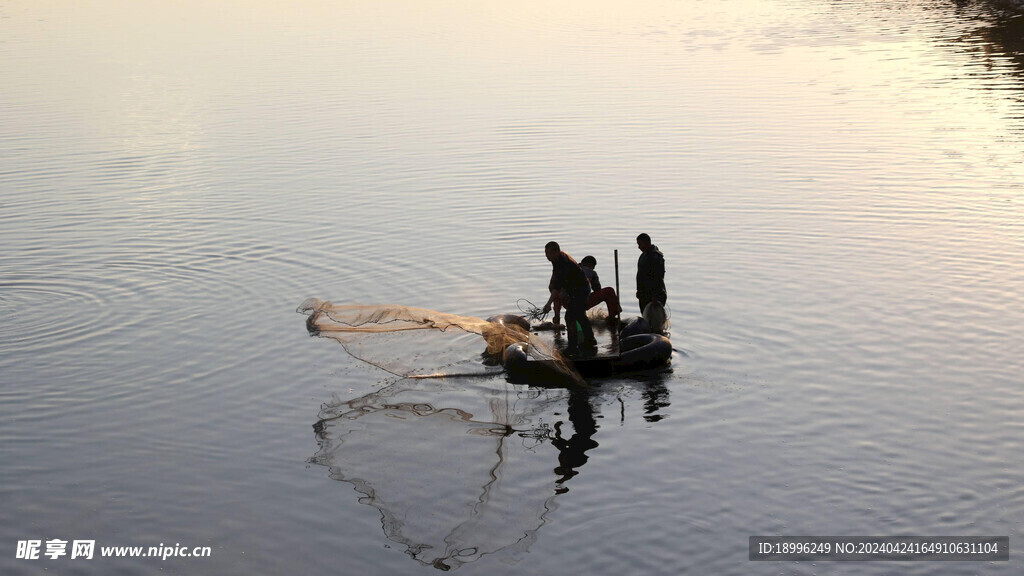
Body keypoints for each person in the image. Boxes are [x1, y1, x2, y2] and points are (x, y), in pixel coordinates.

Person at [541, 242, 596, 355]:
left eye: (548, 253)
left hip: (581, 289)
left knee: (570, 316)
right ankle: (590, 340)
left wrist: (548, 304)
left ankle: (573, 347)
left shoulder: (564, 263)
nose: (546, 255)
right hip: (575, 289)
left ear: (556, 251)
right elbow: (557, 284)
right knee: (580, 315)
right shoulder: (556, 260)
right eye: (545, 253)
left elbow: (557, 287)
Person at [635, 233, 666, 313]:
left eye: (640, 244)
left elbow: (658, 278)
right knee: (645, 317)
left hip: (654, 295)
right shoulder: (643, 256)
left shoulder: (656, 257)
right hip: (644, 294)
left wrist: (655, 296)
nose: (638, 247)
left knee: (654, 319)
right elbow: (640, 275)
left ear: (646, 243)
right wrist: (639, 290)